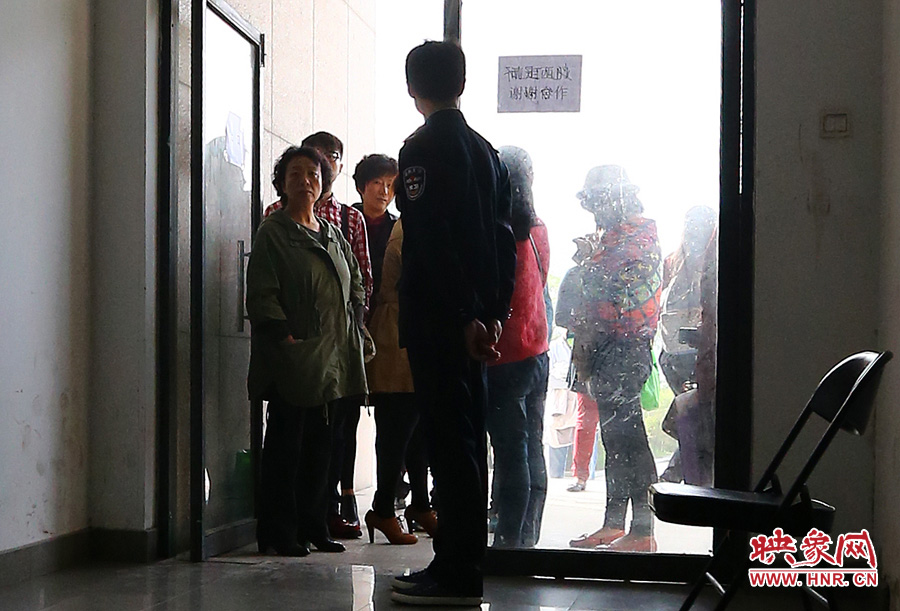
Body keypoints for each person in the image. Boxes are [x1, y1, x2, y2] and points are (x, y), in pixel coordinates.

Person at [390, 41, 516, 607]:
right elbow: (505, 241)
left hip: (441, 319)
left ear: (412, 88)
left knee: (448, 442)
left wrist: (464, 314)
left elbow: (431, 240)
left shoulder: (420, 148)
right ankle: (462, 562)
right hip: (476, 322)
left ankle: (456, 572)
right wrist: (493, 314)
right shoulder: (488, 153)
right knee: (467, 442)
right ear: (461, 85)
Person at [246, 146, 367, 556]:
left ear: (323, 183)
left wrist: (355, 321)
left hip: (333, 360)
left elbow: (356, 280)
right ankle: (279, 531)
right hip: (294, 359)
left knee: (323, 448)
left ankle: (314, 525)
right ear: (281, 184)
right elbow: (262, 293)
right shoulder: (274, 232)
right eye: (295, 174)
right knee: (286, 448)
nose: (305, 181)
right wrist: (285, 339)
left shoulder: (331, 232)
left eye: (313, 174)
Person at [566, 165, 662, 553]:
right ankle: (614, 524)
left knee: (629, 440)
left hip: (624, 348)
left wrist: (589, 260)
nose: (595, 212)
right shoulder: (621, 237)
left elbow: (606, 290)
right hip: (615, 349)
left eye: (597, 202)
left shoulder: (636, 237)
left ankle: (642, 531)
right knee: (616, 439)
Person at [485, 145, 550, 549]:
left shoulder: (497, 226)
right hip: (537, 350)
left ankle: (508, 542)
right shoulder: (537, 227)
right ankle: (526, 536)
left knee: (510, 452)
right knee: (531, 446)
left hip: (503, 353)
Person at [364, 217, 436, 545]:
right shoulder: (410, 230)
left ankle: (420, 504)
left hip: (408, 330)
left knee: (416, 431)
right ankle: (384, 508)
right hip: (398, 334)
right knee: (398, 430)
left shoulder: (413, 226)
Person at [657, 206, 716, 483]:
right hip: (693, 352)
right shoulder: (710, 261)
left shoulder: (674, 261)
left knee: (691, 418)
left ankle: (675, 477)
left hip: (673, 352)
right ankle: (679, 478)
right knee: (696, 419)